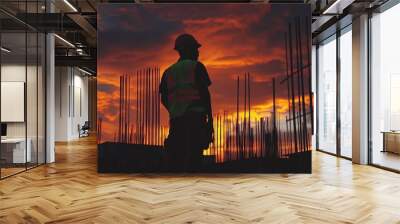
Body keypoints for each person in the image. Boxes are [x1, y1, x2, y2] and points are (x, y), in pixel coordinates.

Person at [159, 33, 214, 172]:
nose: (198, 52)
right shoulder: (197, 67)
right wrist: (210, 122)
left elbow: (164, 99)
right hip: (195, 121)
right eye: (195, 49)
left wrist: (176, 109)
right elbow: (205, 96)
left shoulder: (168, 72)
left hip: (176, 122)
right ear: (187, 49)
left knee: (177, 160)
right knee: (193, 161)